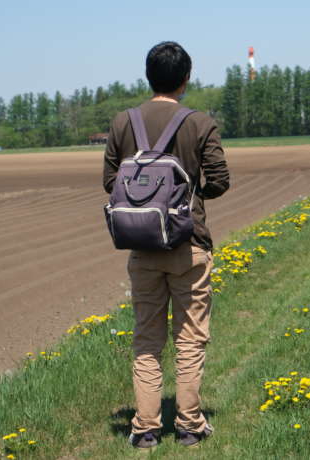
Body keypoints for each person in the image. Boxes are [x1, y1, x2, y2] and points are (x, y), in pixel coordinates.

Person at [102, 41, 230, 449]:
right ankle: (190, 426)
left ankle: (145, 429)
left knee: (147, 339)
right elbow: (221, 179)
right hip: (189, 244)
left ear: (147, 76)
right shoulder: (199, 123)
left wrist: (145, 202)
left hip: (142, 247)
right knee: (190, 338)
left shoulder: (124, 122)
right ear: (186, 78)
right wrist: (188, 199)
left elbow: (110, 181)